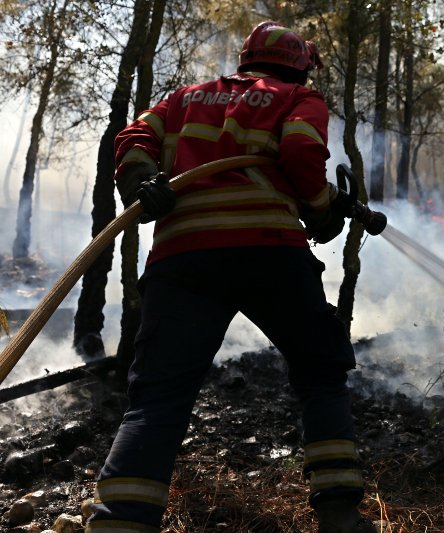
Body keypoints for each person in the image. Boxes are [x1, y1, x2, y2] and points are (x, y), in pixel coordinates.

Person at [85, 21, 377, 533]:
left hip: (184, 258)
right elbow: (303, 154)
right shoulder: (298, 96)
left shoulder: (184, 97)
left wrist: (140, 182)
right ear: (299, 63)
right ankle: (339, 516)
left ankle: (119, 524)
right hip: (270, 252)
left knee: (157, 399)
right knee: (320, 373)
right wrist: (320, 211)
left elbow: (132, 138)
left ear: (248, 58)